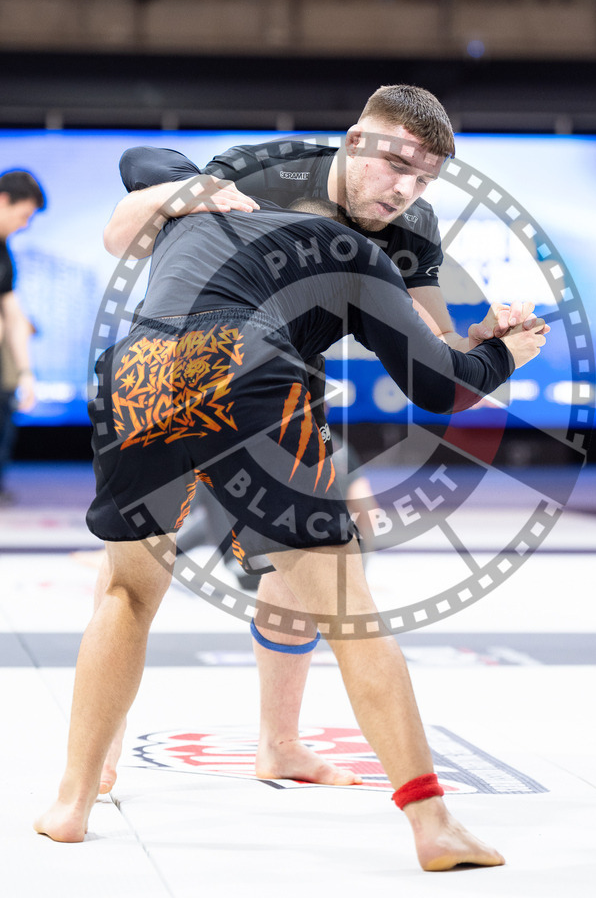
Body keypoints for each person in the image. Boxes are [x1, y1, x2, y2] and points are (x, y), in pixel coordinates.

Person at [35, 169, 547, 870]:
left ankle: (71, 801)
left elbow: (138, 162)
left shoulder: (202, 213)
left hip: (136, 367)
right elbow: (435, 383)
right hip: (238, 362)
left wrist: (191, 182)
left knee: (126, 593)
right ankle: (431, 823)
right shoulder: (360, 255)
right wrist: (500, 354)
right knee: (346, 610)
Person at [96, 87, 537, 792]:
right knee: (137, 566)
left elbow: (430, 345)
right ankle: (100, 755)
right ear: (355, 140)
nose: (406, 189)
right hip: (181, 360)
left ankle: (280, 745)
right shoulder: (263, 168)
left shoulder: (411, 223)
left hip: (282, 384)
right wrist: (187, 188)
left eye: (424, 178)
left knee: (301, 573)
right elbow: (123, 236)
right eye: (398, 165)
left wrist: (480, 339)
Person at [0, 170, 45, 502]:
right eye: (24, 215)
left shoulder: (4, 255)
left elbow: (13, 315)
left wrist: (27, 374)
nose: (25, 224)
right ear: (3, 201)